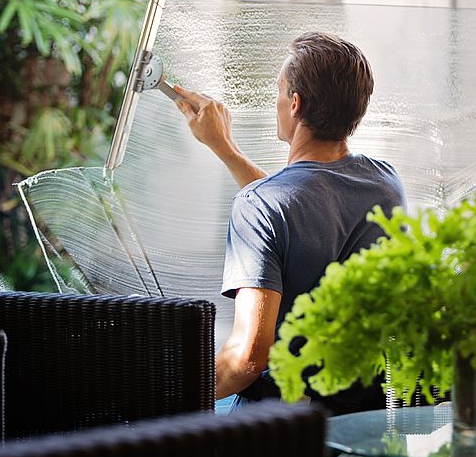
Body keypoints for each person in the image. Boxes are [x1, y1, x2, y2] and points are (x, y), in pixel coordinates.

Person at [173, 31, 406, 414]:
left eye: (279, 91)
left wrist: (166, 392)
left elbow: (247, 358)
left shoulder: (261, 205)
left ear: (295, 105)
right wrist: (225, 149)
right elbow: (304, 204)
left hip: (282, 428)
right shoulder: (386, 184)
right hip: (362, 417)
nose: (277, 101)